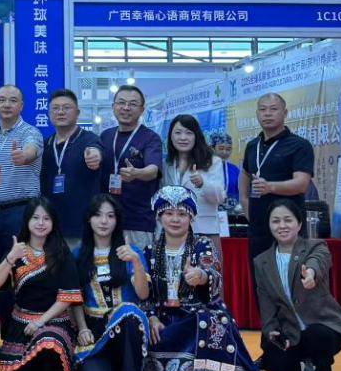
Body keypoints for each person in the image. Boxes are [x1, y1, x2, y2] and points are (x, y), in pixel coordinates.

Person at [143, 186, 266, 371]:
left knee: (212, 323)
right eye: (169, 213)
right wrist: (151, 317)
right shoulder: (150, 250)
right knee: (148, 331)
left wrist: (201, 275)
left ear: (191, 217)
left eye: (182, 214)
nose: (175, 219)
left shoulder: (202, 245)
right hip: (163, 317)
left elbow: (214, 274)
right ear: (159, 216)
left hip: (196, 313)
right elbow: (146, 293)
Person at [253, 199, 341, 371]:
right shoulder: (261, 261)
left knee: (318, 335)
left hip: (324, 325)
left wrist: (311, 274)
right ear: (269, 225)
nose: (282, 226)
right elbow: (266, 301)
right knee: (270, 351)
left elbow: (318, 261)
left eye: (288, 220)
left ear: (299, 224)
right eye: (276, 221)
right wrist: (271, 329)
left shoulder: (315, 246)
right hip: (291, 332)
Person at [0, 197, 81, 371]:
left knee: (49, 351)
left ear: (53, 222)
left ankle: (46, 367)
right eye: (36, 218)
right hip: (22, 325)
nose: (41, 223)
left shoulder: (62, 252)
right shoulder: (17, 251)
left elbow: (67, 297)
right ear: (27, 221)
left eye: (46, 219)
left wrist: (40, 322)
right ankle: (35, 367)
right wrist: (10, 258)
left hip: (54, 323)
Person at [72, 194, 150, 371]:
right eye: (98, 215)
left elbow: (143, 294)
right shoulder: (78, 255)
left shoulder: (131, 252)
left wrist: (136, 262)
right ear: (89, 219)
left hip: (127, 330)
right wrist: (82, 328)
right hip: (95, 331)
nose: (104, 221)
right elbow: (74, 298)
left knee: (127, 311)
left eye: (110, 216)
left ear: (117, 221)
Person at [0, 84, 44, 320]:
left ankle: (26, 326)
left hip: (21, 211)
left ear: (22, 106)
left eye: (13, 100)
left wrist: (24, 155)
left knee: (23, 269)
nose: (7, 105)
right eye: (2, 100)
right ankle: (8, 330)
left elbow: (31, 149)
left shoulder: (30, 132)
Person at [239, 92, 314, 266]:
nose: (267, 114)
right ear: (257, 114)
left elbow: (302, 184)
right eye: (262, 109)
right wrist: (246, 206)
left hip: (287, 228)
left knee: (291, 276)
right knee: (260, 278)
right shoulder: (252, 146)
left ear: (285, 113)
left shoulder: (299, 145)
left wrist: (270, 187)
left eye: (273, 109)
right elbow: (245, 176)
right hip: (258, 230)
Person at [97, 85, 163, 251]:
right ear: (113, 107)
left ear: (142, 110)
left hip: (137, 221)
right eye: (121, 102)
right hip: (105, 221)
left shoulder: (150, 138)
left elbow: (153, 170)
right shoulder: (105, 136)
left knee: (137, 265)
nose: (126, 108)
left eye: (133, 104)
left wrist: (137, 173)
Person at [37, 89, 104, 250]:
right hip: (50, 228)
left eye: (66, 107)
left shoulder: (89, 139)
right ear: (49, 114)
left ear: (77, 113)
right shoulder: (45, 145)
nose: (61, 112)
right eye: (55, 108)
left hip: (81, 228)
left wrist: (95, 156)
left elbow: (95, 151)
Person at [162, 114, 227, 248]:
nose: (183, 137)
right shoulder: (167, 164)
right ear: (171, 137)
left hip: (204, 231)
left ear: (196, 136)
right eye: (178, 133)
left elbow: (220, 197)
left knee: (206, 263)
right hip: (173, 233)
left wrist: (203, 183)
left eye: (189, 133)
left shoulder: (213, 161)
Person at [208, 131, 241, 207]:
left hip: (232, 211)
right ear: (212, 148)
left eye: (228, 149)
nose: (224, 152)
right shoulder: (204, 169)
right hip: (210, 211)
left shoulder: (234, 170)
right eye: (221, 148)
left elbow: (241, 192)